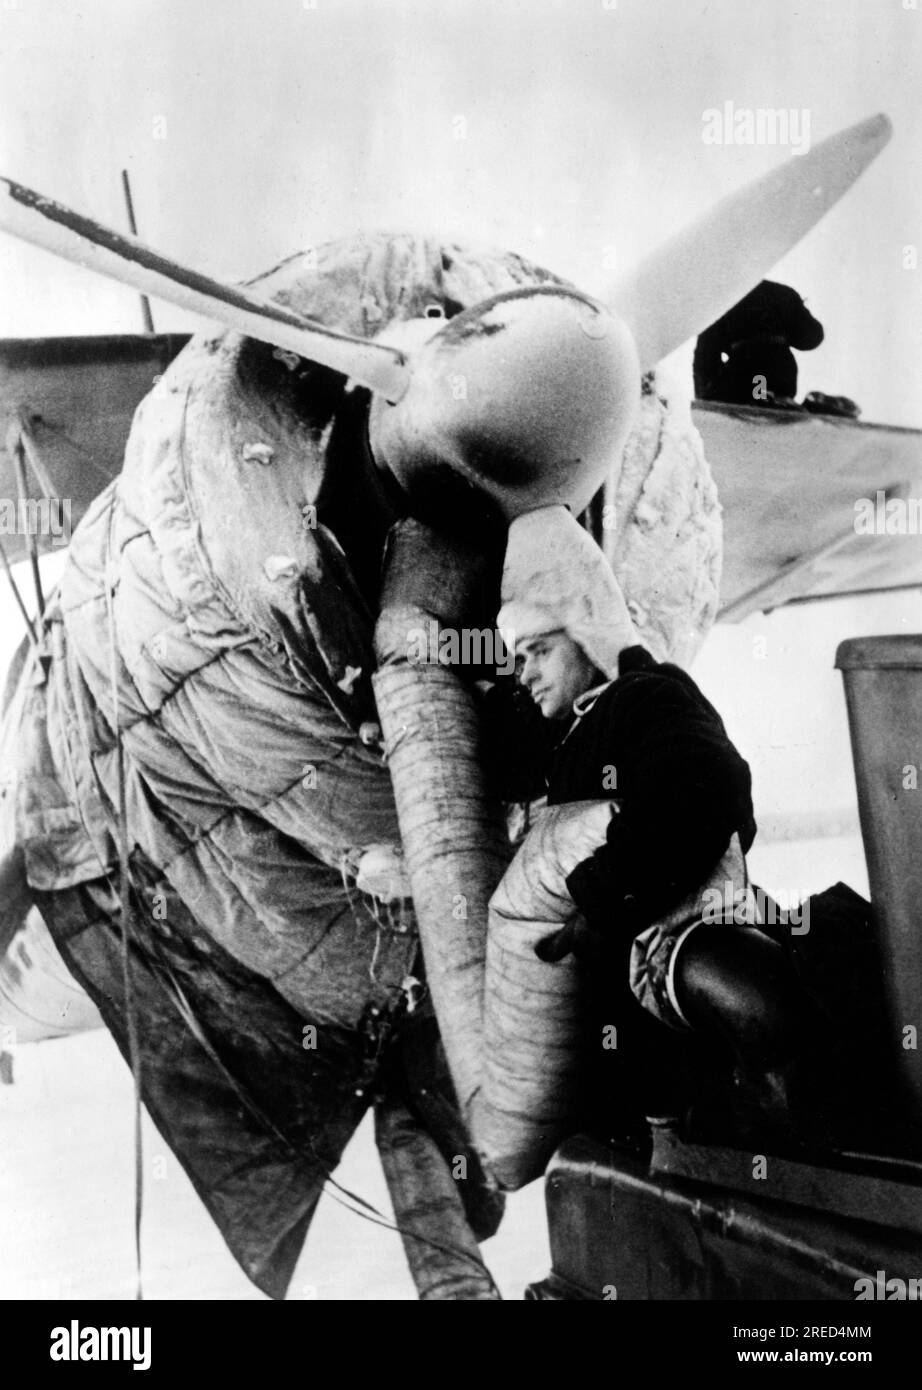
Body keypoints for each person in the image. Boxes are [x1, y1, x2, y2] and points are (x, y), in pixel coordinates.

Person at [483, 506, 809, 1138]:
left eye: (539, 651)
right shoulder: (576, 733)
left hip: (681, 953)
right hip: (627, 1012)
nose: (526, 674)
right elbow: (506, 748)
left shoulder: (647, 697)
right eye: (518, 659)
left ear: (587, 636)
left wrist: (599, 905)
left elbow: (704, 788)